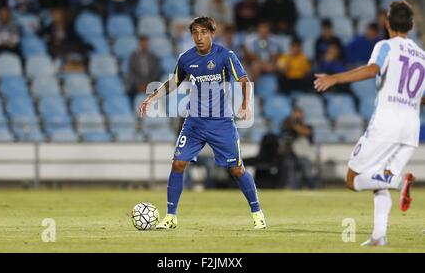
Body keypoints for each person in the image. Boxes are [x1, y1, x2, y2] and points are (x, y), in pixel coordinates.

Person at [314, 0, 424, 246]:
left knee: (353, 180)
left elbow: (372, 69)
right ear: (412, 25)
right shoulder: (422, 56)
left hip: (386, 124)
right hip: (410, 128)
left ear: (386, 24)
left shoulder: (385, 45)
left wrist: (335, 78)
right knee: (378, 179)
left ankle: (398, 183)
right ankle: (378, 236)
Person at [139, 17, 266, 229]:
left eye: (203, 32)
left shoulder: (225, 55)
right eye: (195, 33)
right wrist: (152, 97)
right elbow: (174, 82)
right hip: (194, 123)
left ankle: (257, 212)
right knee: (178, 163)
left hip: (221, 123)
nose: (199, 37)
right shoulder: (186, 58)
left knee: (237, 169)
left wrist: (246, 104)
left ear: (212, 34)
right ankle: (170, 217)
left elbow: (244, 81)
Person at [279, 107, 318, 189]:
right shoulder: (288, 125)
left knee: (307, 173)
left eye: (298, 114)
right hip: (291, 154)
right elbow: (283, 134)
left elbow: (306, 132)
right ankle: (294, 188)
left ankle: (313, 186)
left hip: (305, 154)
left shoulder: (308, 126)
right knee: (290, 168)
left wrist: (295, 125)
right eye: (295, 114)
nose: (296, 116)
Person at [127, 36, 162, 102]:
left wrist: (148, 84)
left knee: (161, 90)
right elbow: (132, 72)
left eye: (145, 44)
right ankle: (132, 109)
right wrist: (139, 85)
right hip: (137, 84)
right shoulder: (133, 57)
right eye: (142, 44)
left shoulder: (153, 56)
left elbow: (156, 72)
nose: (144, 46)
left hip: (150, 83)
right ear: (139, 44)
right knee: (129, 91)